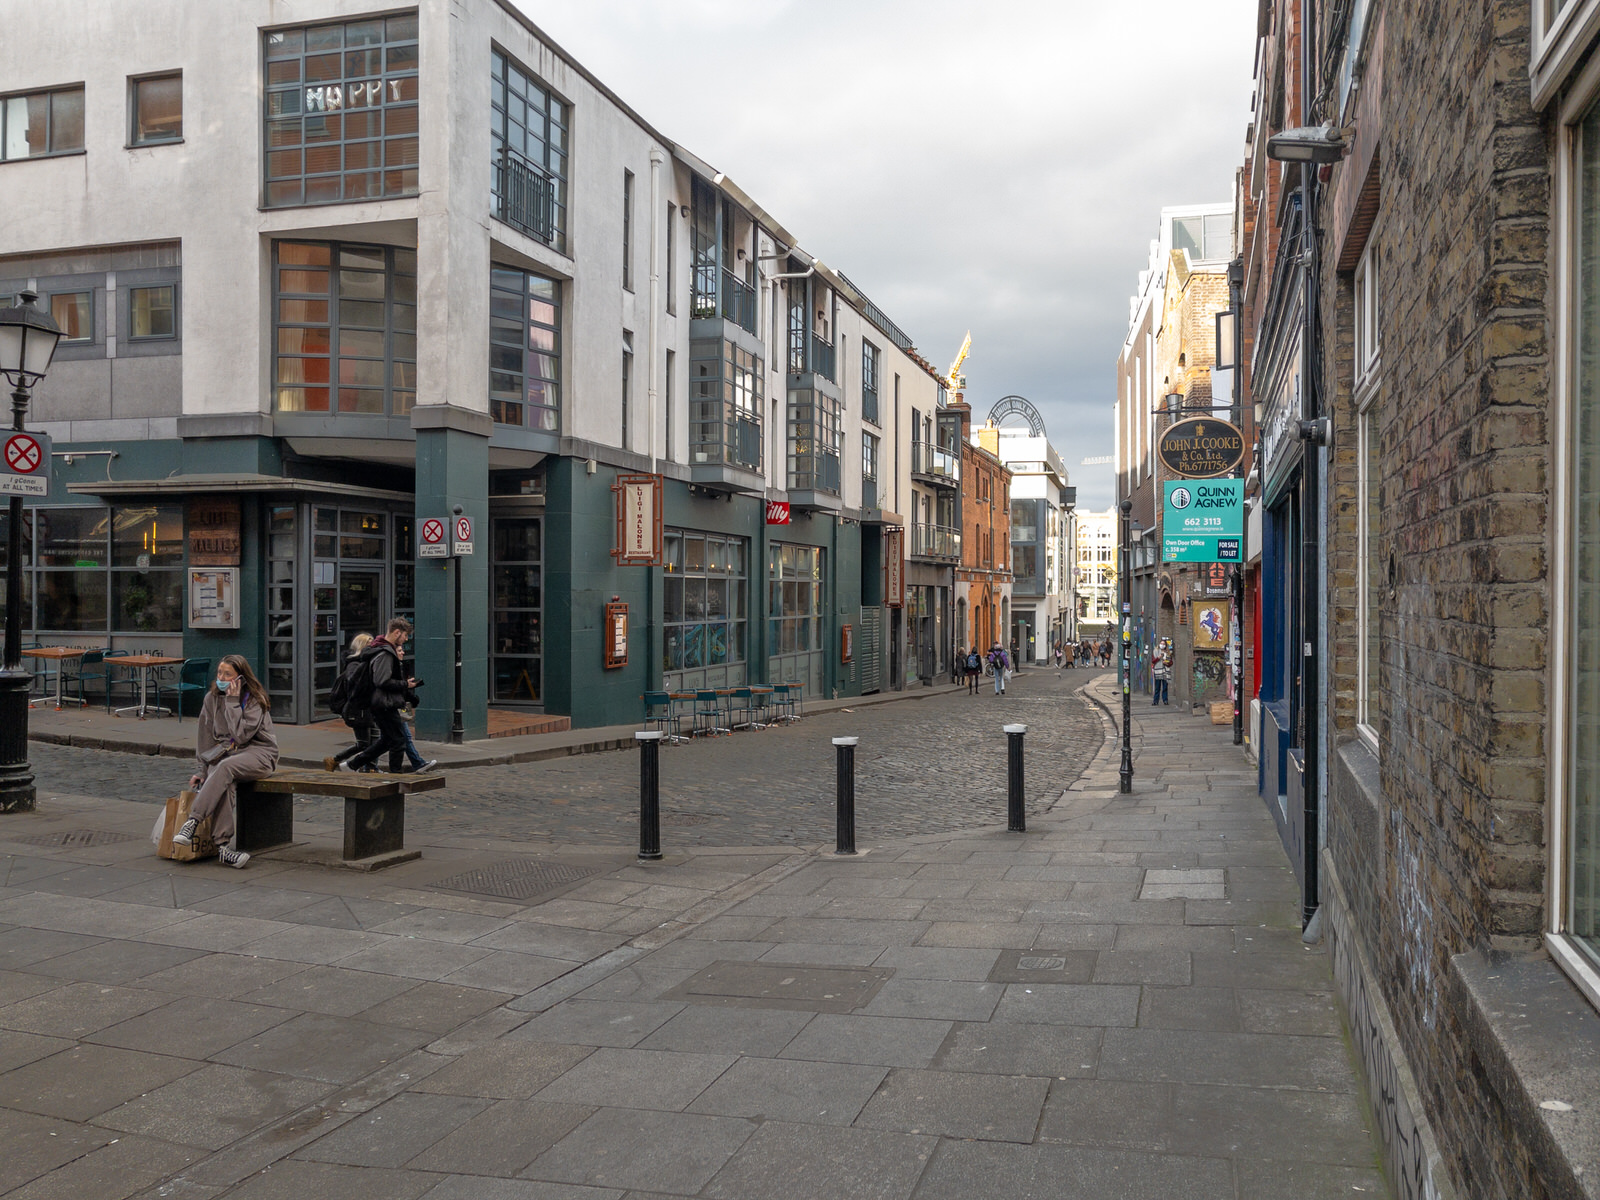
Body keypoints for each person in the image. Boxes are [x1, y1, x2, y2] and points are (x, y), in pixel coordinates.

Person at [172, 654, 279, 868]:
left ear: (240, 678)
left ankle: (192, 822)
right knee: (224, 779)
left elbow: (241, 736)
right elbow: (205, 739)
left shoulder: (254, 700)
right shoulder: (210, 699)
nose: (221, 677)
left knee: (225, 767)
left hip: (258, 753)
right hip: (225, 755)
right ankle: (223, 848)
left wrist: (232, 702)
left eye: (227, 674)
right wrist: (201, 771)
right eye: (219, 673)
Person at [341, 617, 417, 774]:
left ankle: (352, 765)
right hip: (383, 703)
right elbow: (382, 681)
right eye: (405, 635)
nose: (405, 639)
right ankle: (396, 779)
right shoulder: (385, 653)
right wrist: (405, 685)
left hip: (381, 703)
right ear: (397, 632)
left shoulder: (380, 649)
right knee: (398, 741)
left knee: (387, 740)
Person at [325, 632, 376, 772]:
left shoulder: (367, 662)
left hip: (369, 708)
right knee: (363, 743)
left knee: (375, 741)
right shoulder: (354, 664)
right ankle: (336, 760)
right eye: (369, 645)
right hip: (357, 710)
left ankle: (371, 768)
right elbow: (354, 684)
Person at [1151, 638, 1172, 706]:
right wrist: (1159, 657)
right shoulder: (1156, 651)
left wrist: (1167, 663)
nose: (1162, 645)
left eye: (1163, 644)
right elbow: (1153, 661)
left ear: (1166, 645)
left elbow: (1171, 662)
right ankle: (1155, 701)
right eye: (1161, 643)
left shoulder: (1168, 652)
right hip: (1158, 671)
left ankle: (1165, 700)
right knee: (1157, 687)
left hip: (1165, 672)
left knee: (1165, 687)